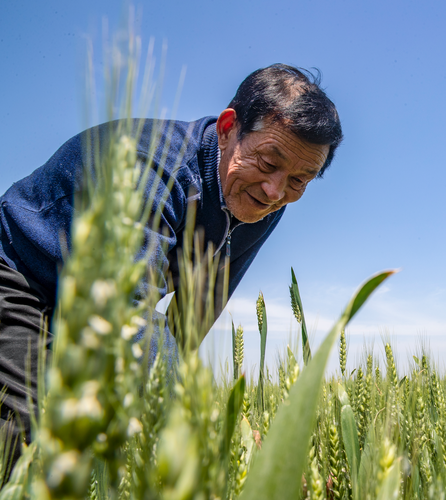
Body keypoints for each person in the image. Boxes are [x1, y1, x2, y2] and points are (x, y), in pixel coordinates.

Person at [0, 63, 343, 464]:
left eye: (299, 180)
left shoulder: (263, 200)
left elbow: (191, 320)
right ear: (228, 127)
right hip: (23, 272)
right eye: (268, 163)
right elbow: (130, 312)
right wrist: (211, 430)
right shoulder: (151, 167)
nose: (275, 191)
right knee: (29, 428)